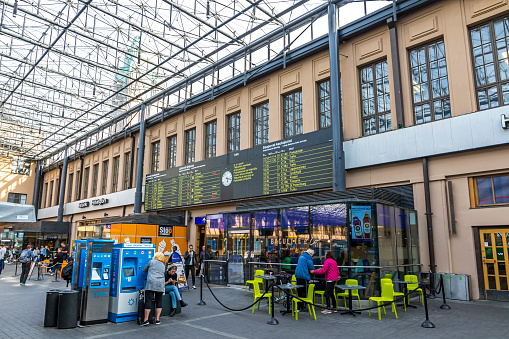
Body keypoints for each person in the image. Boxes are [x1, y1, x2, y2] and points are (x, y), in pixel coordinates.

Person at [141, 252, 166, 326]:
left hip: (152, 283)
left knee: (148, 301)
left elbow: (144, 270)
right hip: (160, 283)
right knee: (159, 301)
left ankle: (146, 320)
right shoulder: (163, 265)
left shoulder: (151, 262)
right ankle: (157, 319)